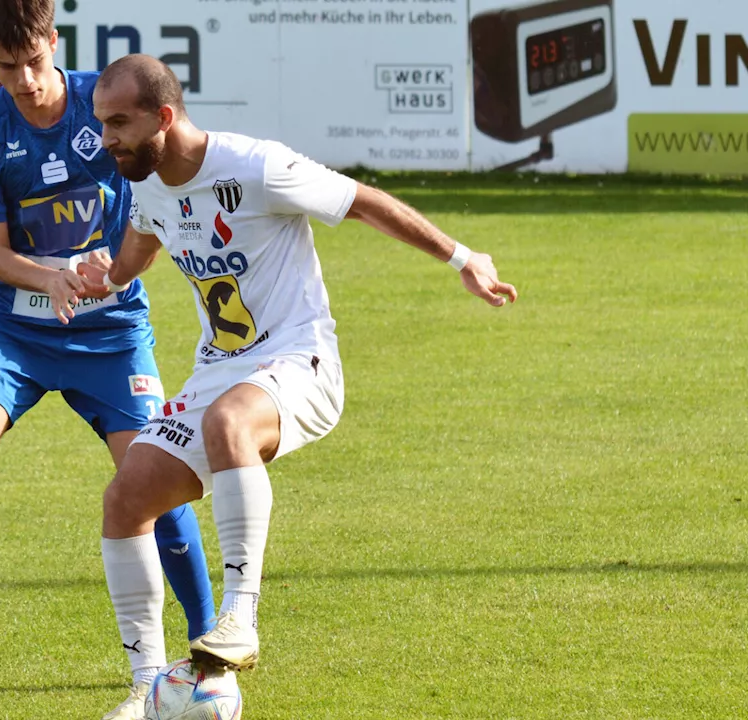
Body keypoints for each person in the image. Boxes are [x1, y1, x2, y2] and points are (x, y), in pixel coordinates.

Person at [81, 54, 519, 719]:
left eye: (118, 123)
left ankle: (239, 619)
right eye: (101, 123)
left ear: (163, 118)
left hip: (298, 359)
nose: (106, 138)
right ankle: (146, 687)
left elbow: (363, 202)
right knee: (126, 496)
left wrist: (463, 257)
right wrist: (107, 279)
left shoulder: (257, 165)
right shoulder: (147, 186)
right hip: (220, 368)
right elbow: (141, 245)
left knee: (227, 424)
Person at [0, 3, 216, 692]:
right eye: (7, 69)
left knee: (151, 481)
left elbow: (155, 203)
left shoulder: (107, 105)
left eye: (34, 61)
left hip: (112, 330)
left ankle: (208, 637)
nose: (26, 81)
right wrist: (53, 279)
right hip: (17, 328)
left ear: (53, 43)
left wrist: (118, 271)